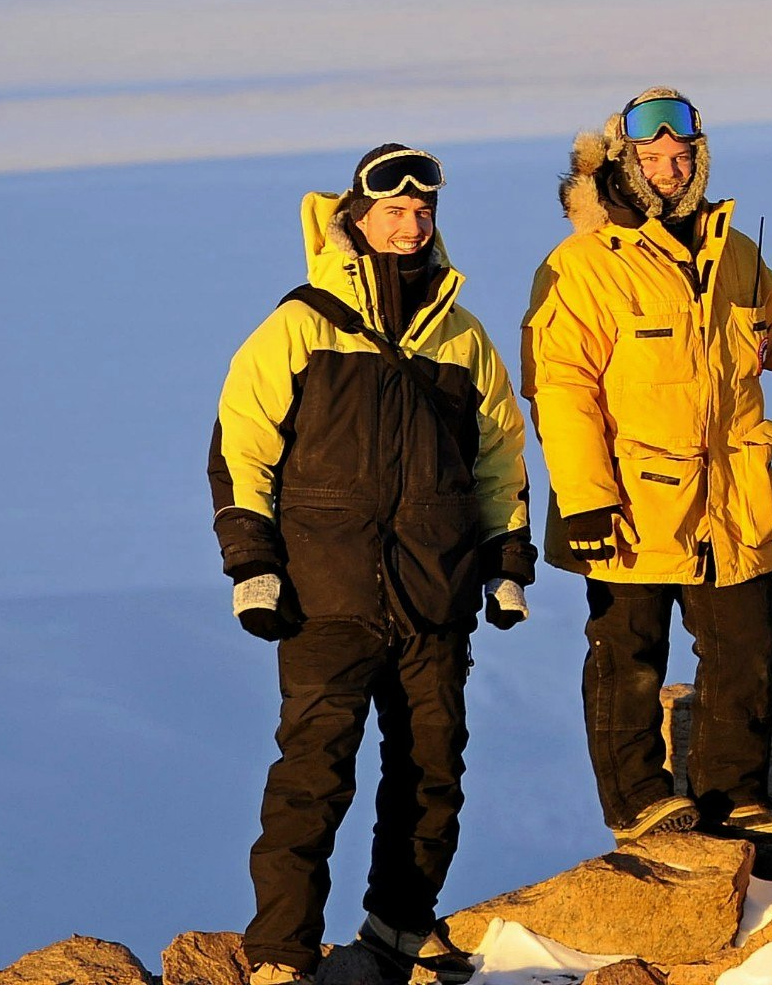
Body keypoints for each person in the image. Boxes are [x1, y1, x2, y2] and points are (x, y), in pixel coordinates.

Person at [522, 89, 772, 845]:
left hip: (730, 495)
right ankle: (637, 799)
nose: (670, 168)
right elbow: (559, 385)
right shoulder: (583, 265)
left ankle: (733, 796)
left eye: (682, 155)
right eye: (654, 156)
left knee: (747, 642)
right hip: (629, 499)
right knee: (627, 652)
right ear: (624, 163)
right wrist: (586, 495)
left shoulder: (730, 250)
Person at [208, 144, 535, 985]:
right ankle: (281, 956)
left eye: (423, 210)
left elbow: (499, 458)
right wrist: (252, 563)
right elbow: (241, 446)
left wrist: (507, 565)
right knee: (311, 778)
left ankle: (397, 932)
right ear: (356, 215)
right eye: (393, 209)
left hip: (434, 597)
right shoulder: (303, 323)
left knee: (433, 774)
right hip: (324, 598)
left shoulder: (463, 338)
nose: (411, 221)